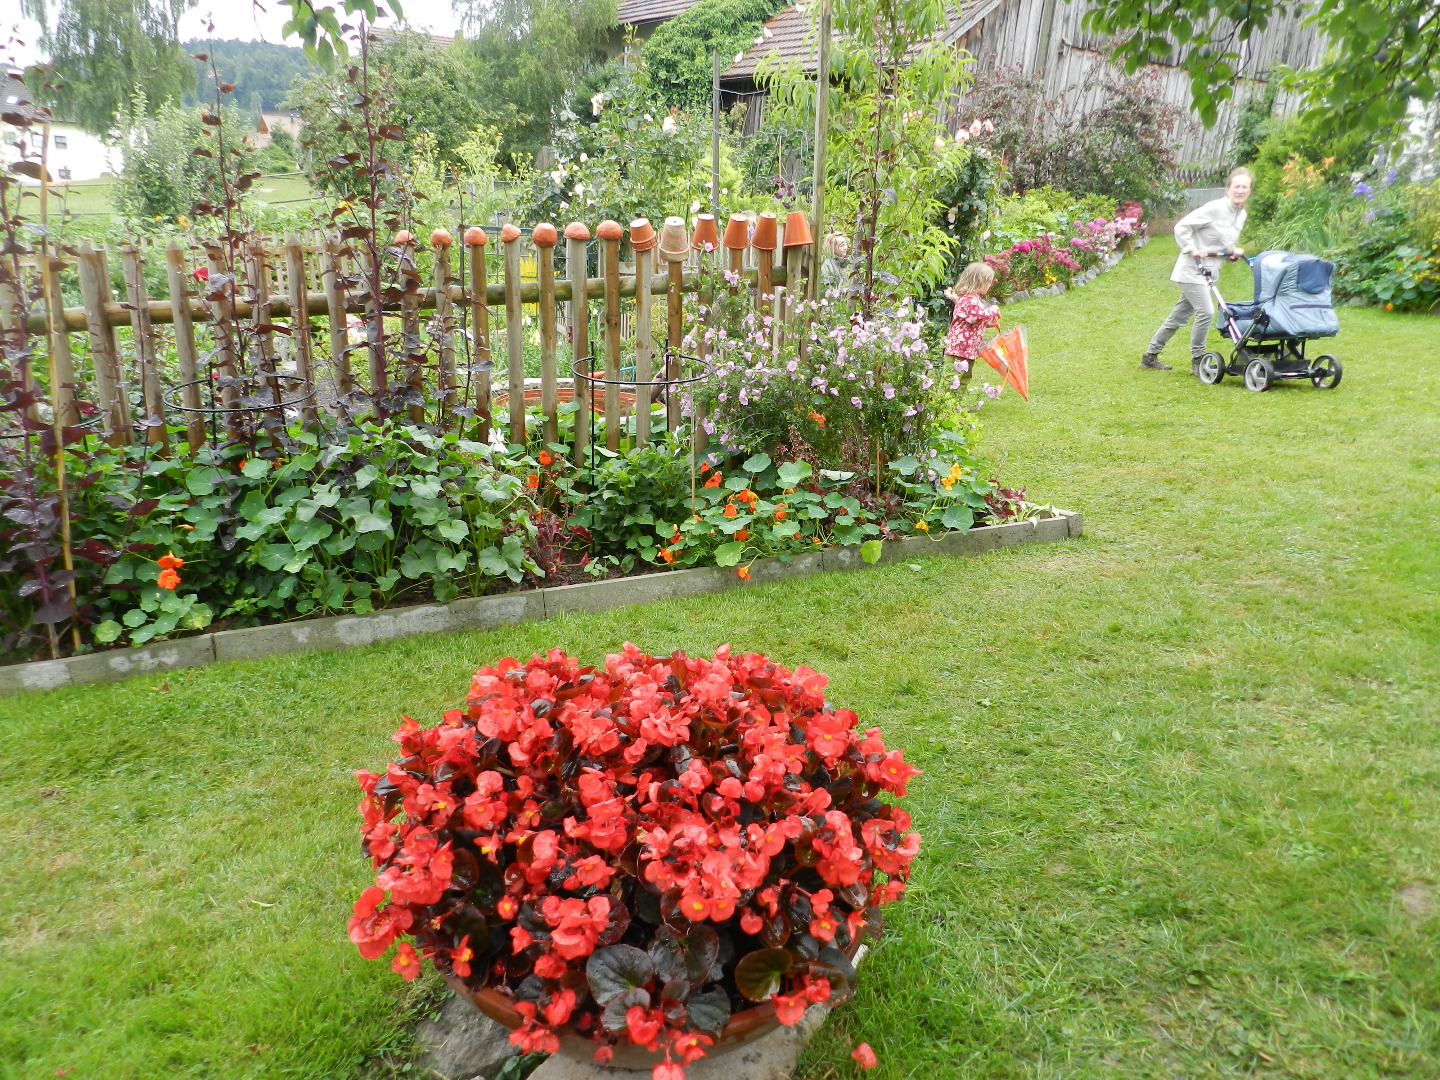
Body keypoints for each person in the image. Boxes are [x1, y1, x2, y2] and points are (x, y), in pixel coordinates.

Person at [1141, 167, 1251, 373]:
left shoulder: (1241, 214)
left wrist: (1232, 254)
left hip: (1210, 273)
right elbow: (1181, 227)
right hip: (1192, 270)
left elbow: (1223, 243)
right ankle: (1198, 360)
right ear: (1227, 189)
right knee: (1206, 312)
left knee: (1178, 317)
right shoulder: (1214, 208)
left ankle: (1150, 356)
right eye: (1236, 186)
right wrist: (1192, 249)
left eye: (1244, 187)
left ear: (1249, 190)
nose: (1240, 190)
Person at [944, 262, 1001, 386]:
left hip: (968, 349)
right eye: (988, 282)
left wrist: (987, 323)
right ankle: (944, 398)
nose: (990, 285)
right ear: (978, 282)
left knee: (964, 378)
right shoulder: (969, 299)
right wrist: (994, 309)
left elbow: (971, 321)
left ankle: (957, 398)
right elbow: (976, 316)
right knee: (951, 379)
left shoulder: (971, 298)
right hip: (958, 349)